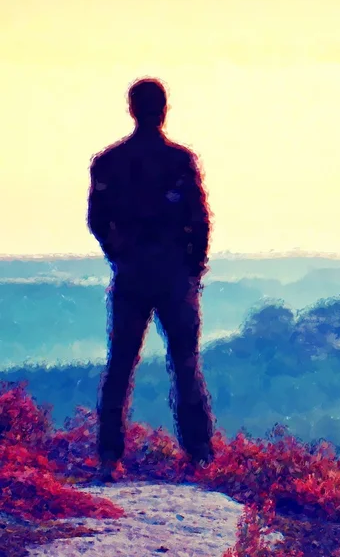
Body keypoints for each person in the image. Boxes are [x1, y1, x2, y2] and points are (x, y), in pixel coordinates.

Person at [87, 77, 215, 482]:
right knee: (185, 365)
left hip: (132, 274)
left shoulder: (108, 162)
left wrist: (119, 254)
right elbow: (199, 219)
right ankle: (199, 456)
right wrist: (193, 267)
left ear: (131, 109)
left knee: (121, 363)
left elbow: (97, 221)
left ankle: (109, 457)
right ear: (163, 110)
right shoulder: (180, 162)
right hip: (174, 275)